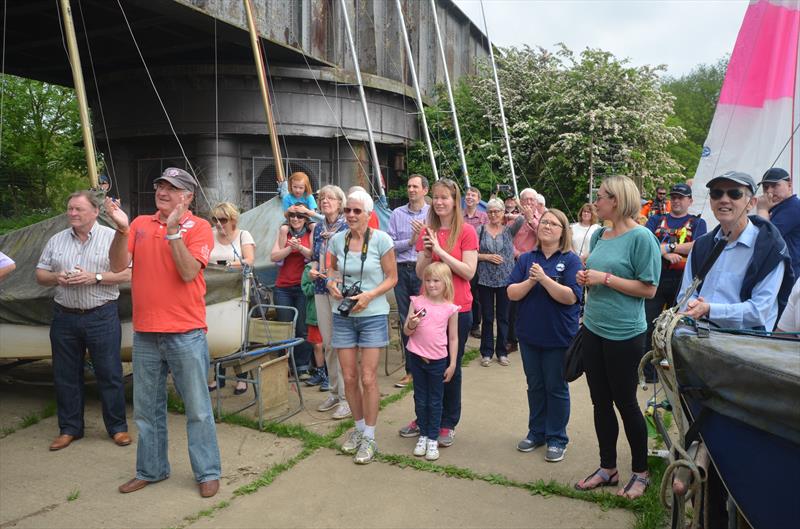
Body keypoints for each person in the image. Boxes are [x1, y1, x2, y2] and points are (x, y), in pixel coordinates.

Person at [106, 167, 221, 498]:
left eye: (172, 187)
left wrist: (173, 233)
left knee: (197, 408)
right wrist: (121, 230)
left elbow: (187, 273)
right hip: (146, 333)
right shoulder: (140, 224)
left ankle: (208, 471)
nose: (163, 191)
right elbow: (116, 266)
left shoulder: (199, 228)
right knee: (146, 408)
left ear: (188, 196)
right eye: (160, 185)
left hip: (186, 332)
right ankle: (151, 469)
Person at [574, 175, 661, 500]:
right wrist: (587, 277)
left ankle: (641, 472)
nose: (595, 203)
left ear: (617, 200)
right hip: (594, 328)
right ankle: (607, 467)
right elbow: (596, 274)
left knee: (626, 403)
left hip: (625, 334)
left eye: (601, 197)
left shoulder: (642, 238)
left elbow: (648, 288)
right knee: (600, 401)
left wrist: (605, 278)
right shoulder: (599, 235)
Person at [35, 191, 131, 451]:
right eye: (70, 209)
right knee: (65, 375)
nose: (72, 213)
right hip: (64, 315)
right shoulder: (56, 240)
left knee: (109, 373)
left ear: (95, 212)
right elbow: (40, 274)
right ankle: (69, 429)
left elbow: (127, 273)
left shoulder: (113, 237)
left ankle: (117, 428)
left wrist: (95, 278)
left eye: (78, 209)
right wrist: (58, 277)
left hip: (101, 314)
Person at [398, 179, 478, 447]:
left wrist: (441, 251)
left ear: (455, 201)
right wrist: (427, 252)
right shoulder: (428, 231)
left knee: (448, 366)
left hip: (456, 308)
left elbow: (468, 272)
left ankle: (447, 422)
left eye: (445, 197)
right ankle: (424, 418)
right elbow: (421, 273)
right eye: (437, 197)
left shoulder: (467, 231)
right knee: (422, 364)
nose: (440, 201)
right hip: (427, 308)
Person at [327, 189, 397, 464]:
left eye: (357, 211)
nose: (351, 215)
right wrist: (332, 284)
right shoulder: (336, 240)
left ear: (369, 214)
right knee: (350, 378)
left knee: (368, 377)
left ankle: (370, 436)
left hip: (372, 314)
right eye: (348, 211)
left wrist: (369, 296)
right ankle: (357, 430)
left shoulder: (382, 240)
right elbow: (330, 271)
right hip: (343, 314)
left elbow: (392, 278)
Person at [508, 208, 582, 463]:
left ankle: (557, 437)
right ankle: (536, 432)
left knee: (556, 387)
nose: (546, 226)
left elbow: (571, 297)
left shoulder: (571, 260)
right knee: (535, 386)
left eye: (553, 223)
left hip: (558, 337)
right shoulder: (528, 258)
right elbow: (512, 293)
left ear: (563, 232)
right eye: (544, 222)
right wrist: (531, 281)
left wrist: (544, 279)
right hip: (529, 335)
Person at [677, 171, 793, 331]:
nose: (724, 200)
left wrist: (709, 310)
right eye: (716, 193)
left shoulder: (769, 249)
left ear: (751, 203)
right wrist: (693, 307)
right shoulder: (701, 245)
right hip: (697, 336)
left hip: (743, 345)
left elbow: (759, 311)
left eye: (734, 193)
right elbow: (685, 295)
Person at [643, 184, 706, 381]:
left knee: (678, 327)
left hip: (683, 282)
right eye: (674, 197)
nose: (677, 200)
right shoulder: (655, 219)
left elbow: (698, 246)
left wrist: (669, 248)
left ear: (690, 201)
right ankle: (649, 371)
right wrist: (669, 253)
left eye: (682, 197)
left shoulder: (697, 223)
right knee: (649, 325)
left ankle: (677, 373)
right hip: (656, 278)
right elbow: (646, 244)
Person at [403, 262, 459, 461]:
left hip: (438, 361)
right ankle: (424, 434)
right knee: (420, 397)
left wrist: (452, 364)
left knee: (435, 400)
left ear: (445, 283)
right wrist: (411, 324)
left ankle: (433, 437)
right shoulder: (417, 302)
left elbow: (453, 338)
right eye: (428, 280)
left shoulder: (450, 309)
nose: (431, 284)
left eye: (436, 280)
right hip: (417, 357)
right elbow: (406, 332)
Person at [308, 185, 351, 419]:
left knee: (341, 342)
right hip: (320, 287)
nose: (325, 201)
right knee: (327, 343)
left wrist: (333, 274)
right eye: (322, 197)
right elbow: (315, 258)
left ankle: (347, 398)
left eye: (330, 198)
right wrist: (313, 270)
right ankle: (335, 392)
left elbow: (350, 257)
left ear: (340, 202)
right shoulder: (317, 228)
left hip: (340, 290)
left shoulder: (347, 225)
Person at [208, 201, 256, 395]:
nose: (219, 224)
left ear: (233, 219)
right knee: (216, 333)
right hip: (214, 292)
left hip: (238, 292)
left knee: (238, 335)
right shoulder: (209, 234)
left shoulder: (244, 235)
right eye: (215, 219)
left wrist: (226, 264)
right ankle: (217, 376)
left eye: (223, 220)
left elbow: (249, 260)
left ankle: (241, 379)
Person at [387, 174, 430, 388]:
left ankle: (428, 364)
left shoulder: (432, 213)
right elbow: (391, 244)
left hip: (425, 270)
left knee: (426, 316)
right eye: (409, 186)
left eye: (415, 186)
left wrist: (422, 237)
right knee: (406, 319)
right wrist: (412, 240)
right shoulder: (396, 213)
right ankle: (410, 370)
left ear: (425, 190)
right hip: (402, 270)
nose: (411, 189)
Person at [475, 198, 522, 367]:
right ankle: (486, 352)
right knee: (487, 317)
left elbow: (524, 217)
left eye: (497, 211)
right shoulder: (479, 230)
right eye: (490, 211)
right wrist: (486, 257)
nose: (493, 214)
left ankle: (501, 351)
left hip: (505, 279)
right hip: (485, 279)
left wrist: (511, 212)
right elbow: (471, 253)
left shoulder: (509, 230)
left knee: (503, 317)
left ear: (502, 213)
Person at [270, 210, 316, 377]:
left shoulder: (311, 233)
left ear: (305, 219)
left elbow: (312, 254)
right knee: (285, 328)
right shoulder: (283, 233)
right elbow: (274, 256)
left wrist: (300, 247)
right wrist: (290, 248)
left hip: (303, 287)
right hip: (283, 287)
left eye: (299, 216)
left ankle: (302, 366)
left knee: (303, 328)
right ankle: (285, 365)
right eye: (292, 216)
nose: (295, 219)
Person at [757, 168, 800, 280]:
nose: (769, 191)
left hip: (785, 273)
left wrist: (762, 209)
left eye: (775, 185)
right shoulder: (780, 206)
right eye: (766, 187)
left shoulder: (793, 206)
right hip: (778, 270)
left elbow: (765, 237)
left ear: (789, 185)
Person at [463, 186, 488, 339]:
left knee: (476, 294)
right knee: (464, 290)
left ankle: (475, 324)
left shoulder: (484, 217)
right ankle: (464, 322)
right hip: (462, 258)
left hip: (479, 260)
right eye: (467, 194)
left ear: (478, 200)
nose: (470, 197)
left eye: (473, 195)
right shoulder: (459, 216)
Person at [301, 262, 327, 390]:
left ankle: (330, 374)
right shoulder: (309, 268)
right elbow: (305, 289)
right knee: (317, 345)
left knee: (330, 345)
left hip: (331, 311)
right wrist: (317, 282)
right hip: (315, 313)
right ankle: (321, 374)